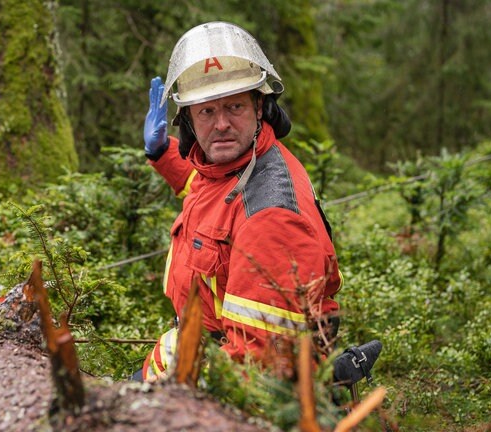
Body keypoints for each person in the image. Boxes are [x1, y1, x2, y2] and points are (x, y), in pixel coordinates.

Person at [140, 22, 342, 382]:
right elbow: (204, 192)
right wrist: (160, 153)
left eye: (234, 106)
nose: (221, 124)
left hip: (231, 377)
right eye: (206, 111)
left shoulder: (270, 216)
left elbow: (261, 362)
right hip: (203, 346)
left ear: (259, 106)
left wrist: (172, 392)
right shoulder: (232, 166)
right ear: (187, 119)